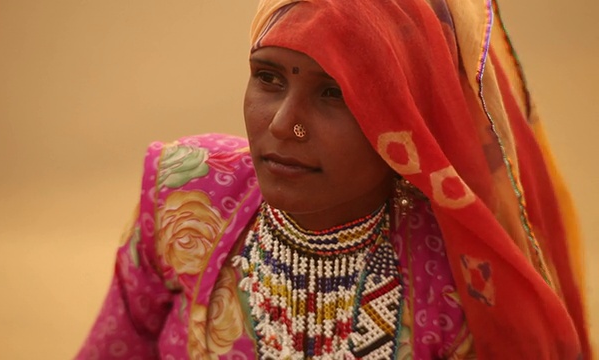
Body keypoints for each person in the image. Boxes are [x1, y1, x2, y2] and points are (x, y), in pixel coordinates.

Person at [76, 0, 592, 358]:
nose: (283, 124)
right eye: (268, 77)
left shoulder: (462, 278)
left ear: (404, 119)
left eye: (334, 93)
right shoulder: (187, 193)